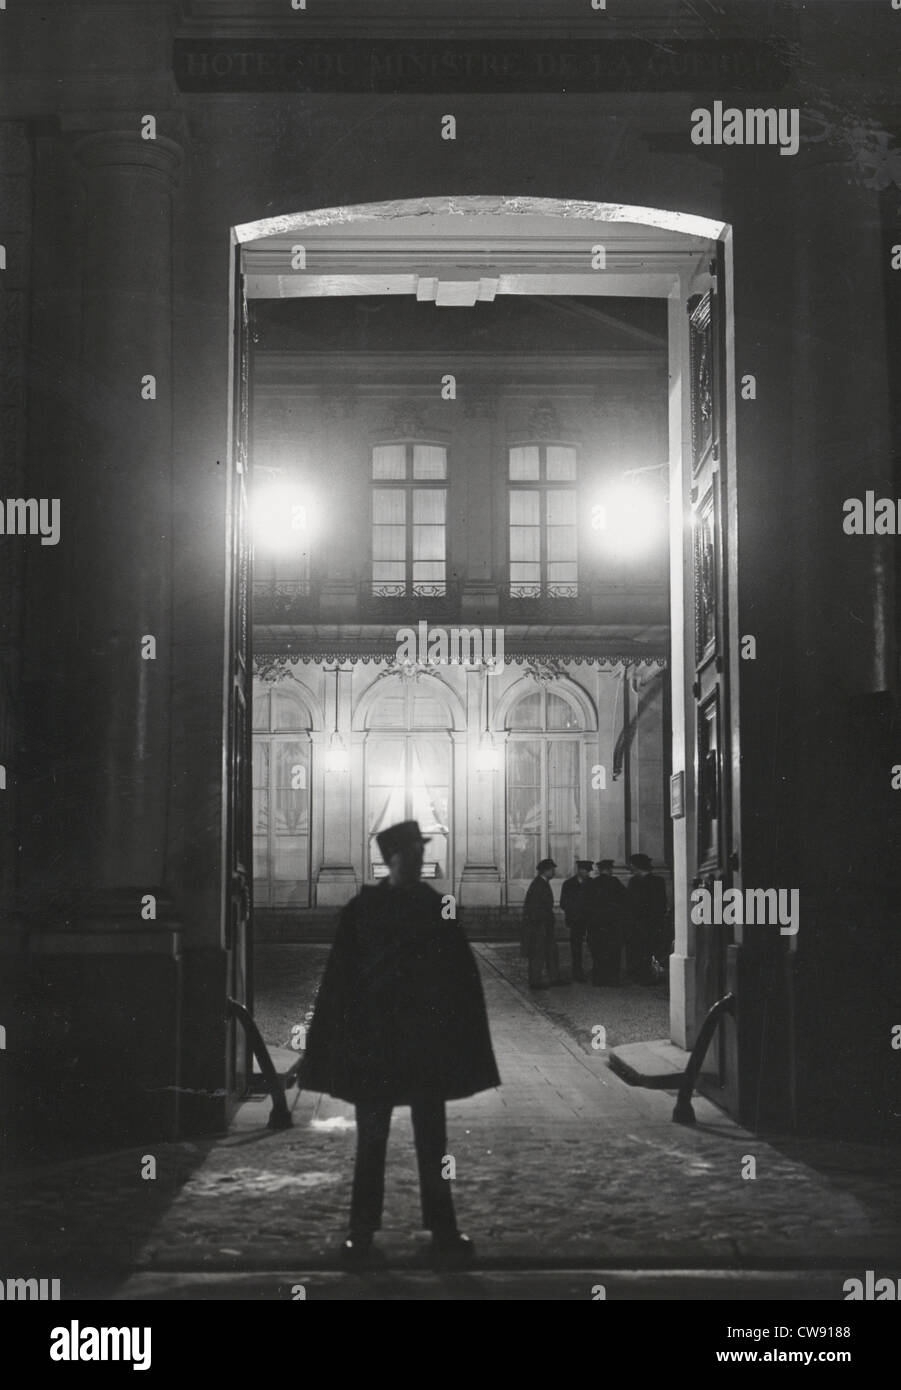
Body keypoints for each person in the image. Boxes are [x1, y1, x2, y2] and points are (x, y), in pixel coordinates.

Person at [298, 820, 500, 1269]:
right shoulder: (363, 909)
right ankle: (362, 1232)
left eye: (418, 853)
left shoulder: (433, 906)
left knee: (433, 1142)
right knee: (372, 1142)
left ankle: (441, 1229)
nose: (416, 860)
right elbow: (340, 984)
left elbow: (461, 979)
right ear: (390, 859)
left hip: (422, 1046)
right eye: (409, 853)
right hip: (379, 1044)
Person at [521, 857, 567, 990]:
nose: (554, 872)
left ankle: (554, 978)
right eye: (552, 870)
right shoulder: (539, 885)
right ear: (545, 871)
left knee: (551, 951)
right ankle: (535, 981)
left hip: (544, 925)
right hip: (539, 926)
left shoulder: (541, 883)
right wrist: (542, 924)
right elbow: (535, 908)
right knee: (538, 953)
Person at [625, 852, 668, 985]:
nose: (630, 868)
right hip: (643, 921)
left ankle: (646, 975)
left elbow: (660, 903)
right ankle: (642, 974)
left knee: (647, 949)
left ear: (637, 866)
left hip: (647, 921)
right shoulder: (654, 881)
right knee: (641, 949)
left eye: (631, 865)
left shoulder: (641, 882)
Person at [587, 859, 628, 986]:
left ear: (599, 870)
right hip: (612, 923)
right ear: (609, 869)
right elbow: (625, 899)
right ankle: (613, 979)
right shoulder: (614, 882)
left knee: (598, 951)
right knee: (613, 951)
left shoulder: (593, 883)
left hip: (597, 924)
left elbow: (587, 903)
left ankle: (599, 979)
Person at [559, 860, 594, 981]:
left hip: (590, 920)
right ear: (579, 870)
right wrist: (574, 911)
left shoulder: (592, 883)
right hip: (576, 920)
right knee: (576, 947)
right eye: (585, 870)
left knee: (593, 945)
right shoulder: (568, 884)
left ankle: (595, 970)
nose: (587, 873)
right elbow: (563, 903)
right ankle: (577, 972)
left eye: (589, 871)